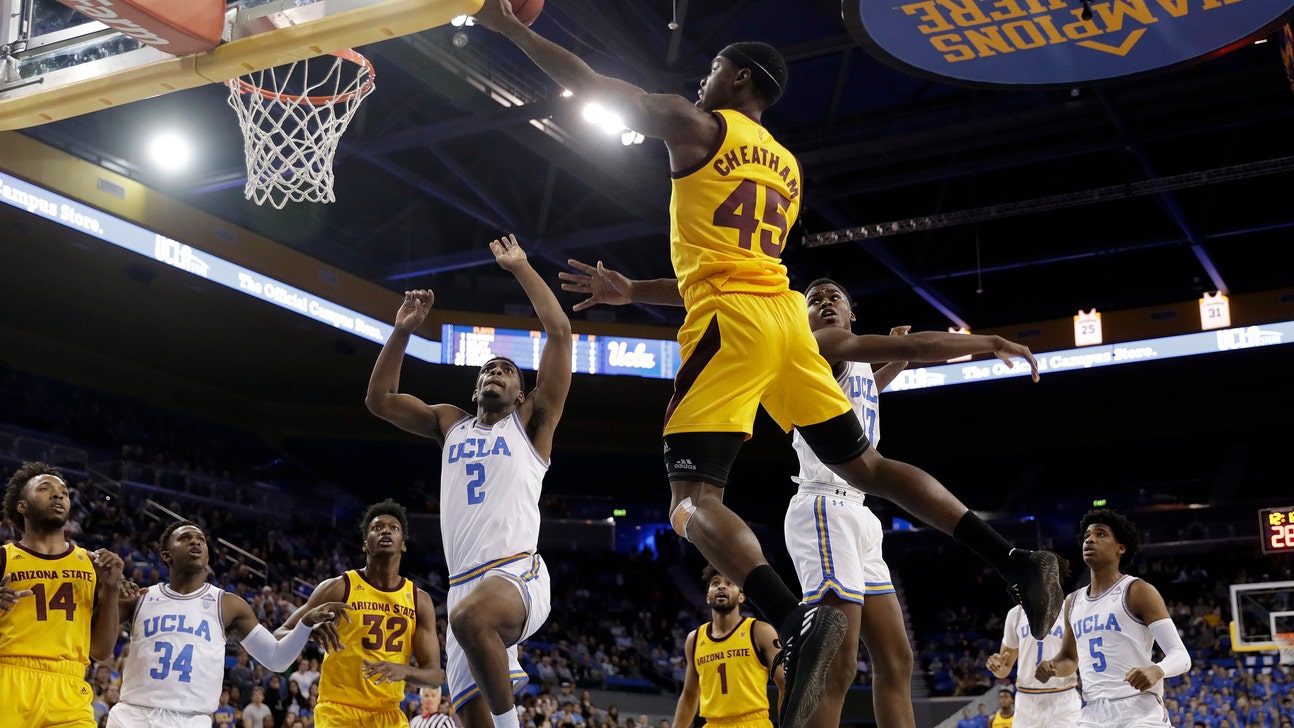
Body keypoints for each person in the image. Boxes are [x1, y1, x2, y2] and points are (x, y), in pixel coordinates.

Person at [474, 7, 1062, 724]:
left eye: (713, 67)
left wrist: (515, 34)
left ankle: (792, 615)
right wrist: (635, 290)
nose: (702, 77)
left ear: (741, 76)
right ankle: (1014, 561)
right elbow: (736, 259)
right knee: (866, 466)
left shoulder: (697, 125)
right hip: (783, 317)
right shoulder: (787, 165)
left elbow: (595, 82)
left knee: (690, 502)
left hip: (731, 323)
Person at [559, 268, 1044, 728]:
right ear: (801, 317)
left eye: (835, 298)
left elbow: (864, 393)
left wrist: (893, 360)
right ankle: (1008, 559)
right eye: (814, 300)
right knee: (836, 664)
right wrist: (988, 342)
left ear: (852, 311)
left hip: (860, 513)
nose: (825, 303)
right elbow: (921, 344)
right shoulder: (821, 345)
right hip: (823, 506)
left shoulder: (850, 365)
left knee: (897, 658)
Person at [366, 234, 573, 728]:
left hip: (516, 571)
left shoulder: (532, 424)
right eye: (488, 369)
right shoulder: (449, 423)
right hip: (463, 587)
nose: (496, 372)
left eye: (506, 370)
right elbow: (379, 399)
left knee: (469, 620)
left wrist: (521, 267)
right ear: (475, 387)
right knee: (468, 719)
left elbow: (560, 332)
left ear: (522, 394)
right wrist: (402, 332)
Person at [107, 519, 349, 727]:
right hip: (132, 716)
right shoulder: (140, 598)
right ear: (166, 555)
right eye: (185, 538)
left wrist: (305, 623)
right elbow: (98, 650)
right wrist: (108, 594)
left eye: (201, 539)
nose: (196, 542)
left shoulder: (227, 604)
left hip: (191, 720)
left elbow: (277, 659)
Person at [277, 500, 445, 728]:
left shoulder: (419, 601)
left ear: (403, 544)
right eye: (377, 527)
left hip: (389, 715)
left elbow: (435, 675)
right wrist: (308, 628)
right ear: (366, 544)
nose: (385, 530)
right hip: (338, 711)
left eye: (393, 528)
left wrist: (404, 670)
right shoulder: (338, 587)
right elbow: (279, 634)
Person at [1035, 509, 1190, 728]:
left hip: (1138, 710)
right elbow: (1069, 660)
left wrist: (1157, 670)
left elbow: (1181, 656)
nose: (1090, 539)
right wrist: (1052, 667)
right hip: (1092, 712)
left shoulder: (1137, 590)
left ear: (1121, 548)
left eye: (1101, 534)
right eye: (1087, 536)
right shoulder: (1072, 601)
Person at [0, 461, 124, 728]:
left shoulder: (92, 564)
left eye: (64, 492)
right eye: (45, 489)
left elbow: (101, 651)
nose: (58, 495)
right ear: (22, 505)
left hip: (69, 690)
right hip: (8, 681)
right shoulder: (3, 557)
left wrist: (112, 589)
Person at [672, 565, 783, 728]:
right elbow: (689, 695)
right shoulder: (694, 639)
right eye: (715, 583)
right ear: (708, 597)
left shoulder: (760, 631)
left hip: (753, 722)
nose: (722, 586)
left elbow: (785, 685)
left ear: (741, 597)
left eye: (730, 583)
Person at [986, 602, 1080, 728]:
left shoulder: (1069, 609)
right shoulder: (1016, 614)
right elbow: (1004, 670)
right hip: (1027, 701)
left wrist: (1054, 669)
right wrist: (997, 666)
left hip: (1063, 697)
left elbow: (1073, 661)